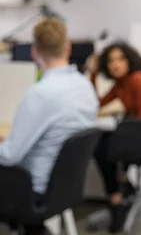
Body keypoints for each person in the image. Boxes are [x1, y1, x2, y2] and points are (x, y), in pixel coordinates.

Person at [0, 18, 98, 235]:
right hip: (64, 187)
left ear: (35, 52)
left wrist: (7, 145)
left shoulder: (40, 94)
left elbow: (9, 157)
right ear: (68, 47)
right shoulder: (86, 87)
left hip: (30, 189)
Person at [91, 42, 141, 233]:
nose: (116, 64)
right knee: (101, 142)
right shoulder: (121, 83)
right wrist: (93, 74)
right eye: (110, 61)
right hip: (139, 133)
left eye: (121, 59)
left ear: (130, 60)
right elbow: (97, 104)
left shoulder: (137, 79)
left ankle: (117, 197)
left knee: (102, 146)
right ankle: (124, 188)